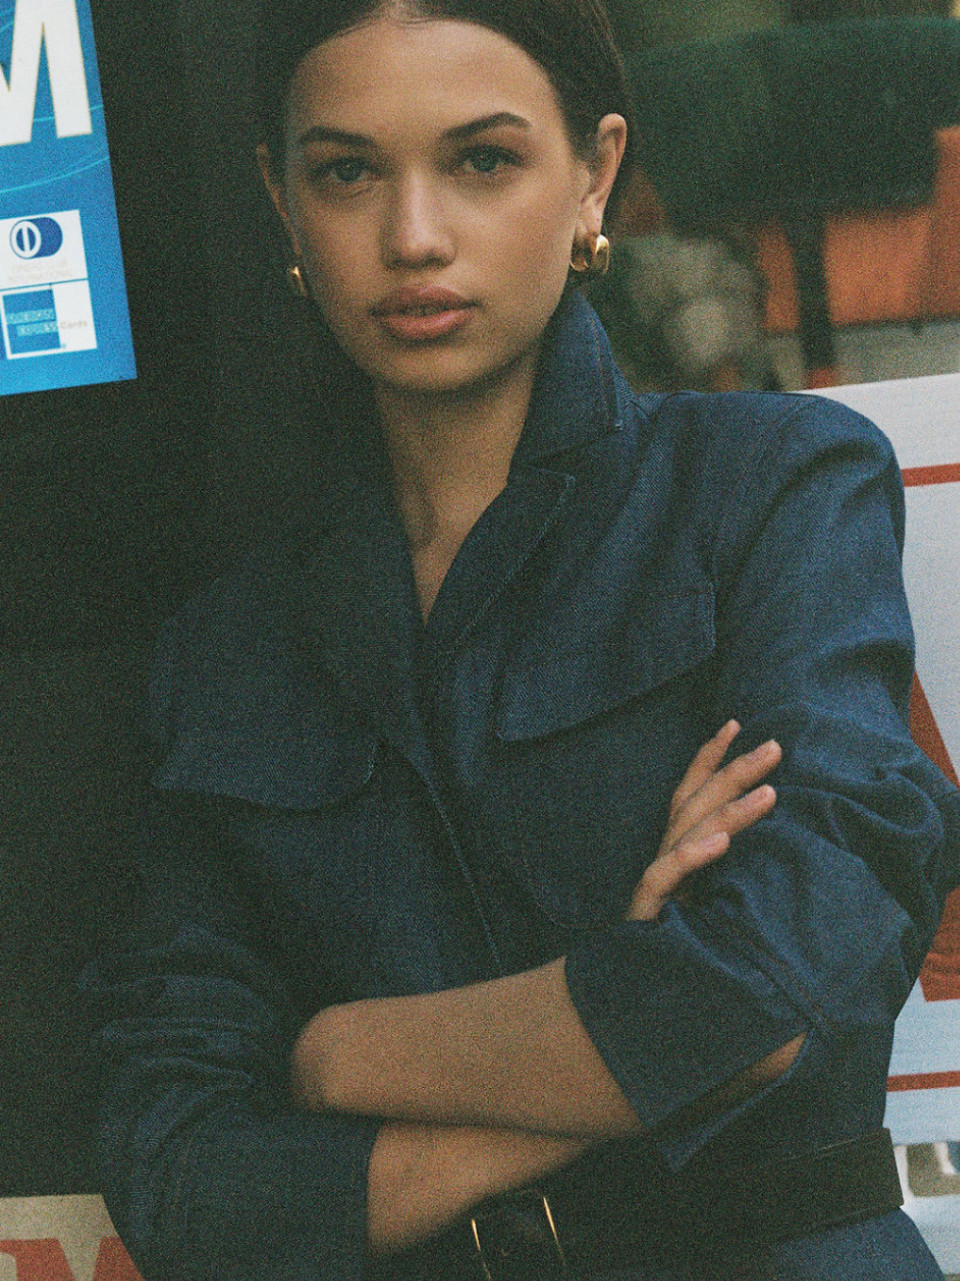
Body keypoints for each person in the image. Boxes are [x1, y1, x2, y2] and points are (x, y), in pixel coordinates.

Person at [83, 1, 960, 1278]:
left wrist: (334, 1053)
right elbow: (183, 1185)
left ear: (595, 173)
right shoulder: (229, 650)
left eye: (482, 160)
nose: (413, 236)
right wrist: (629, 1015)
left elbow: (767, 995)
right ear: (282, 202)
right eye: (347, 173)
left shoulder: (768, 489)